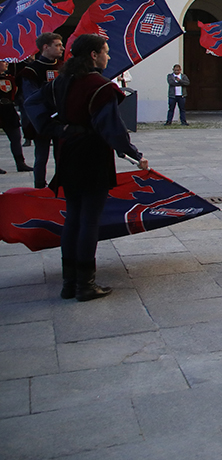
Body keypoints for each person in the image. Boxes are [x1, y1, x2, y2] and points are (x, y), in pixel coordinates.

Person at [49, 34, 149, 301]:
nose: (108, 56)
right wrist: (134, 154)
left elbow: (35, 106)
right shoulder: (100, 86)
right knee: (89, 220)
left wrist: (57, 129)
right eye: (105, 52)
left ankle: (69, 283)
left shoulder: (63, 80)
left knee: (73, 217)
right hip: (91, 155)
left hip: (67, 152)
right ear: (93, 55)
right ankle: (85, 284)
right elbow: (112, 129)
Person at [18, 32, 64, 187]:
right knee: (41, 156)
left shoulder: (64, 67)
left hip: (62, 119)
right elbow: (31, 97)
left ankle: (61, 185)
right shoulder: (31, 70)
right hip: (42, 119)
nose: (61, 48)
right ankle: (39, 186)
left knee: (62, 156)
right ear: (45, 47)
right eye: (57, 45)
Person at [0, 61, 33, 173]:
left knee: (16, 137)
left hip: (8, 109)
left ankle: (20, 162)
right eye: (2, 62)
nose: (6, 64)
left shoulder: (10, 77)